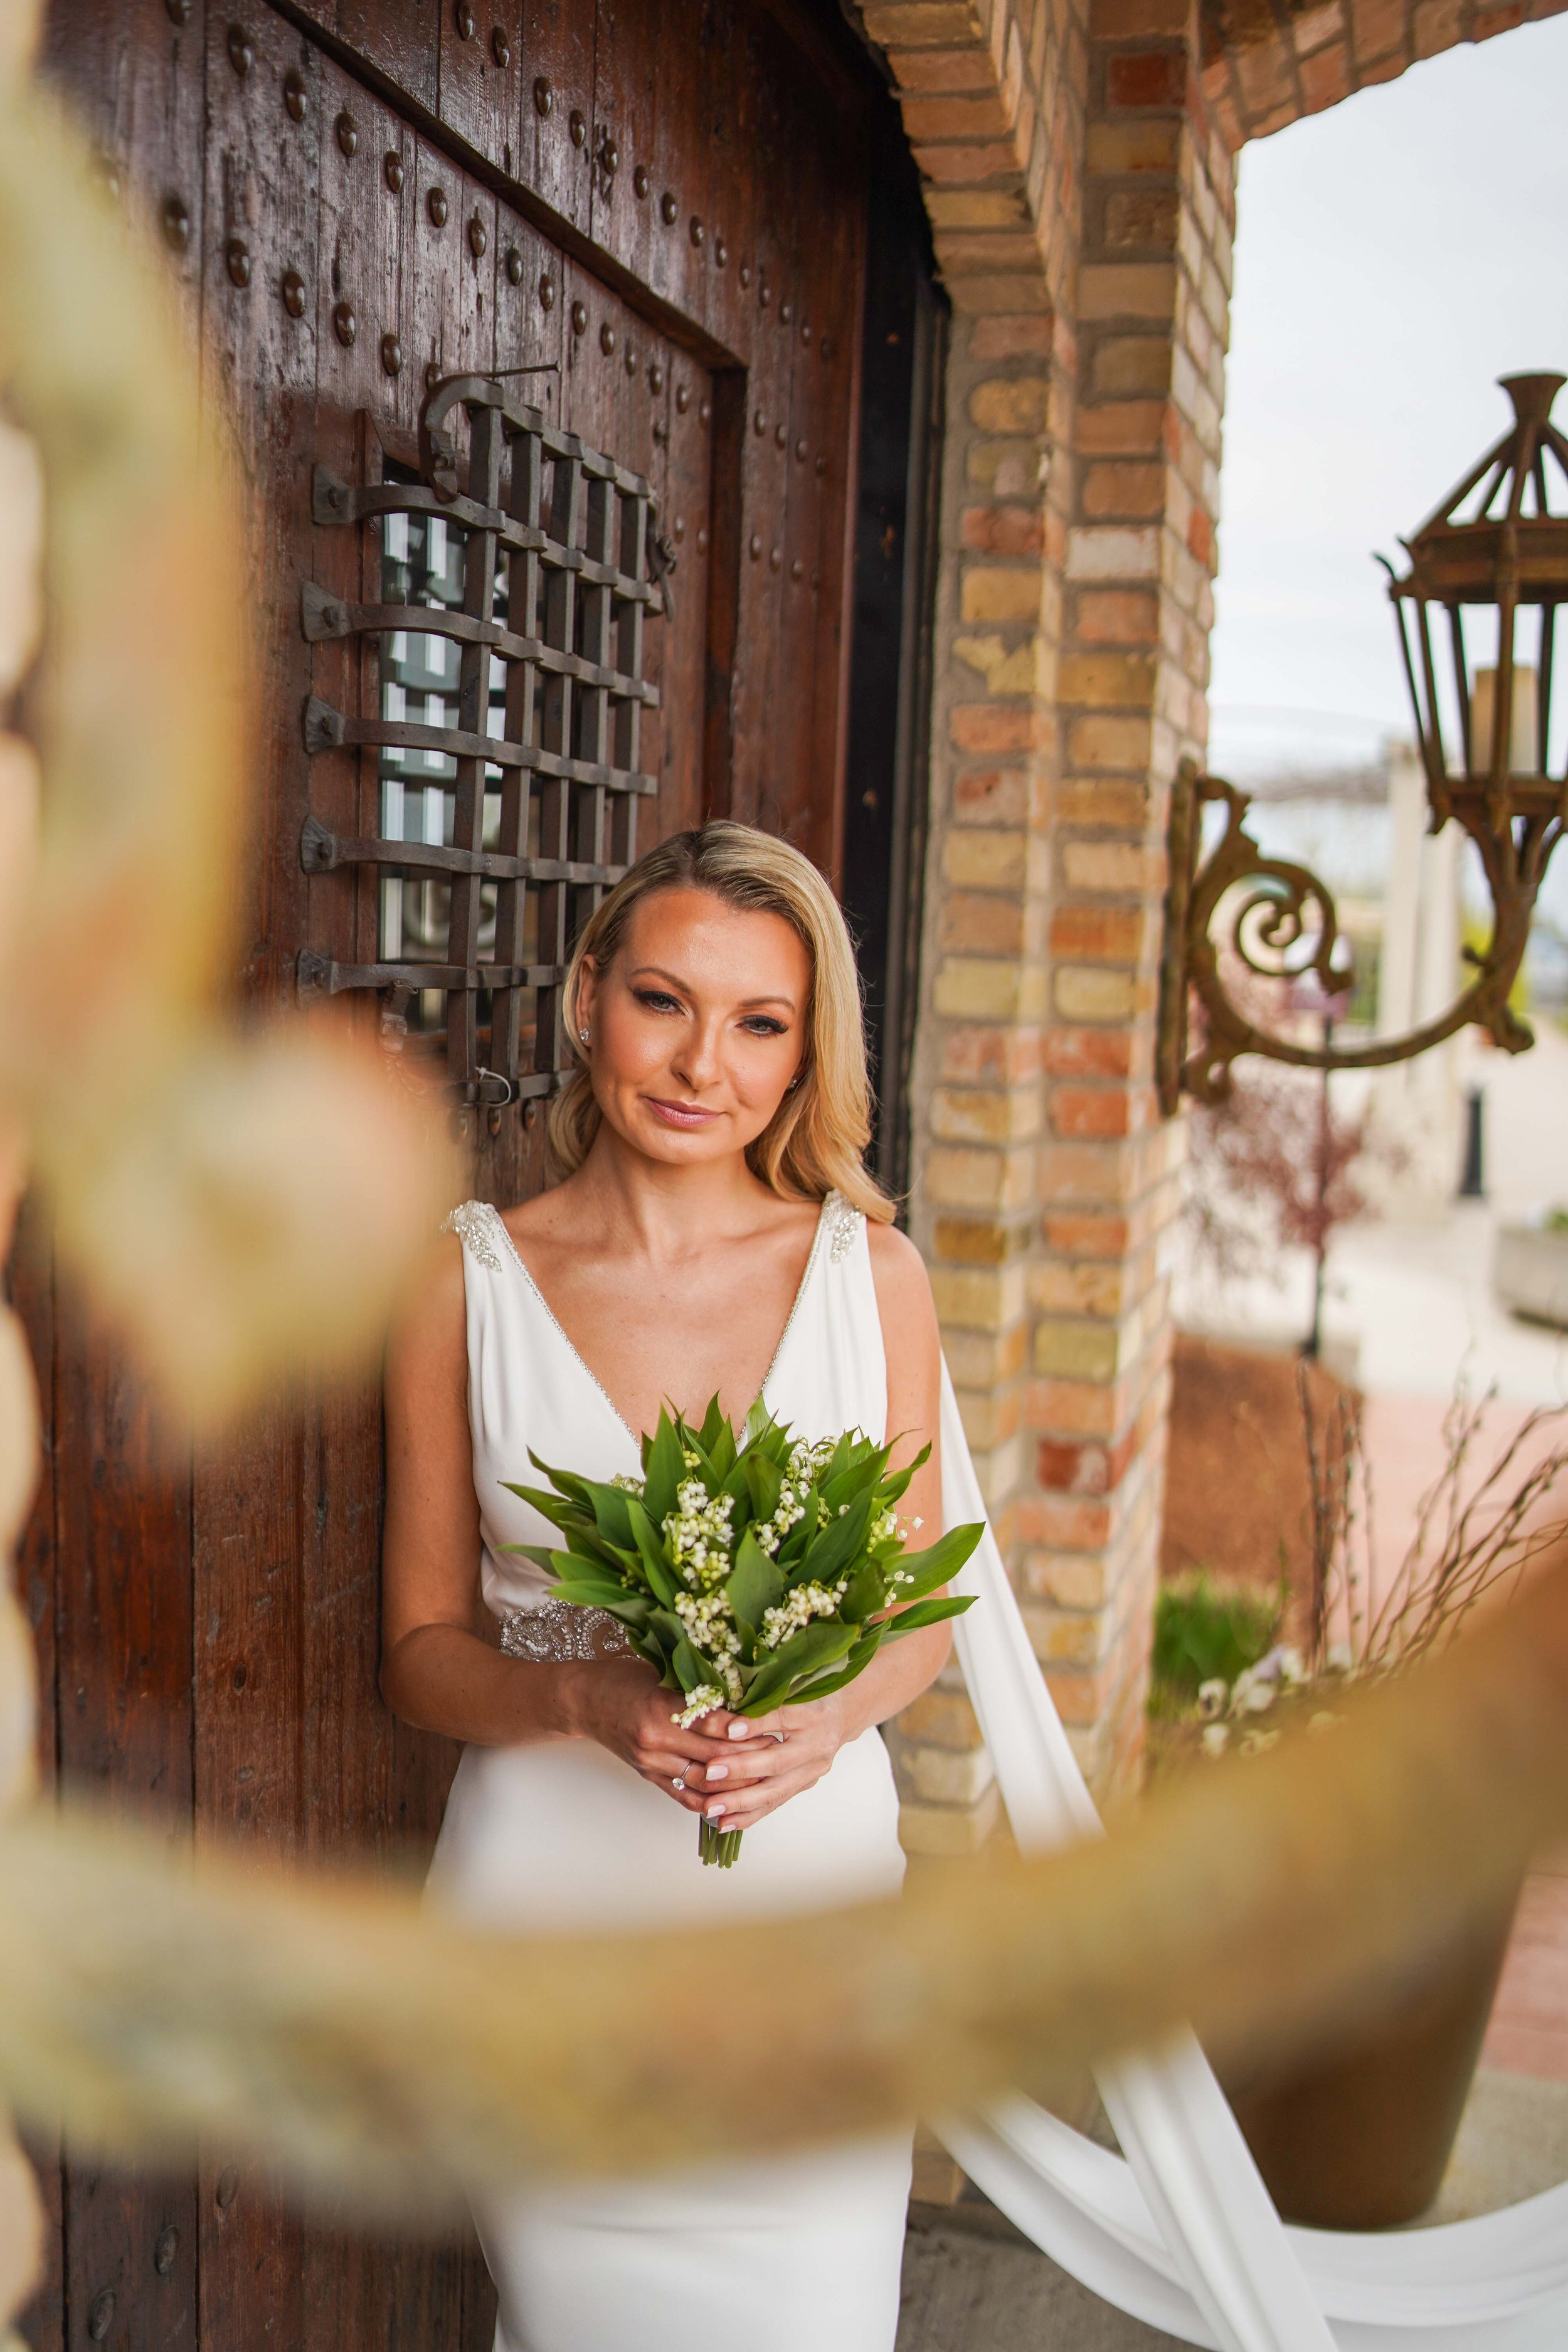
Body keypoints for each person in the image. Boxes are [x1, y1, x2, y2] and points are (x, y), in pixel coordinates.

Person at [381, 820, 953, 2352]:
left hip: (807, 1926)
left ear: (801, 1052)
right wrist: (580, 1694)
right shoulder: (466, 1282)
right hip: (549, 1932)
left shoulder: (867, 1276)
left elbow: (920, 1610)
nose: (704, 1063)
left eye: (760, 1023)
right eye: (664, 1002)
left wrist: (822, 1720)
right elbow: (421, 1653)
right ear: (586, 1003)